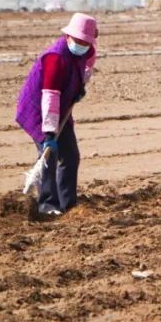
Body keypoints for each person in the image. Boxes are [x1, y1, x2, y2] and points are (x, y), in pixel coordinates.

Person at [15, 13, 98, 216]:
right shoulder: (55, 57)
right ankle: (47, 204)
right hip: (39, 109)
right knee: (49, 156)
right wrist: (50, 132)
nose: (81, 44)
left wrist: (81, 87)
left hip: (61, 108)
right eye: (77, 40)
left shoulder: (86, 51)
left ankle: (68, 203)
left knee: (71, 155)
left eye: (85, 42)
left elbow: (88, 67)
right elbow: (50, 95)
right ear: (68, 36)